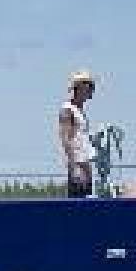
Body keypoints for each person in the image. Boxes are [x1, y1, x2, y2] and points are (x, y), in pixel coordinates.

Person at [58, 70, 97, 198]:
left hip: (85, 164)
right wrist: (74, 167)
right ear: (78, 87)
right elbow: (65, 139)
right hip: (78, 166)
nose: (90, 89)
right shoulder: (67, 110)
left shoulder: (80, 111)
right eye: (87, 85)